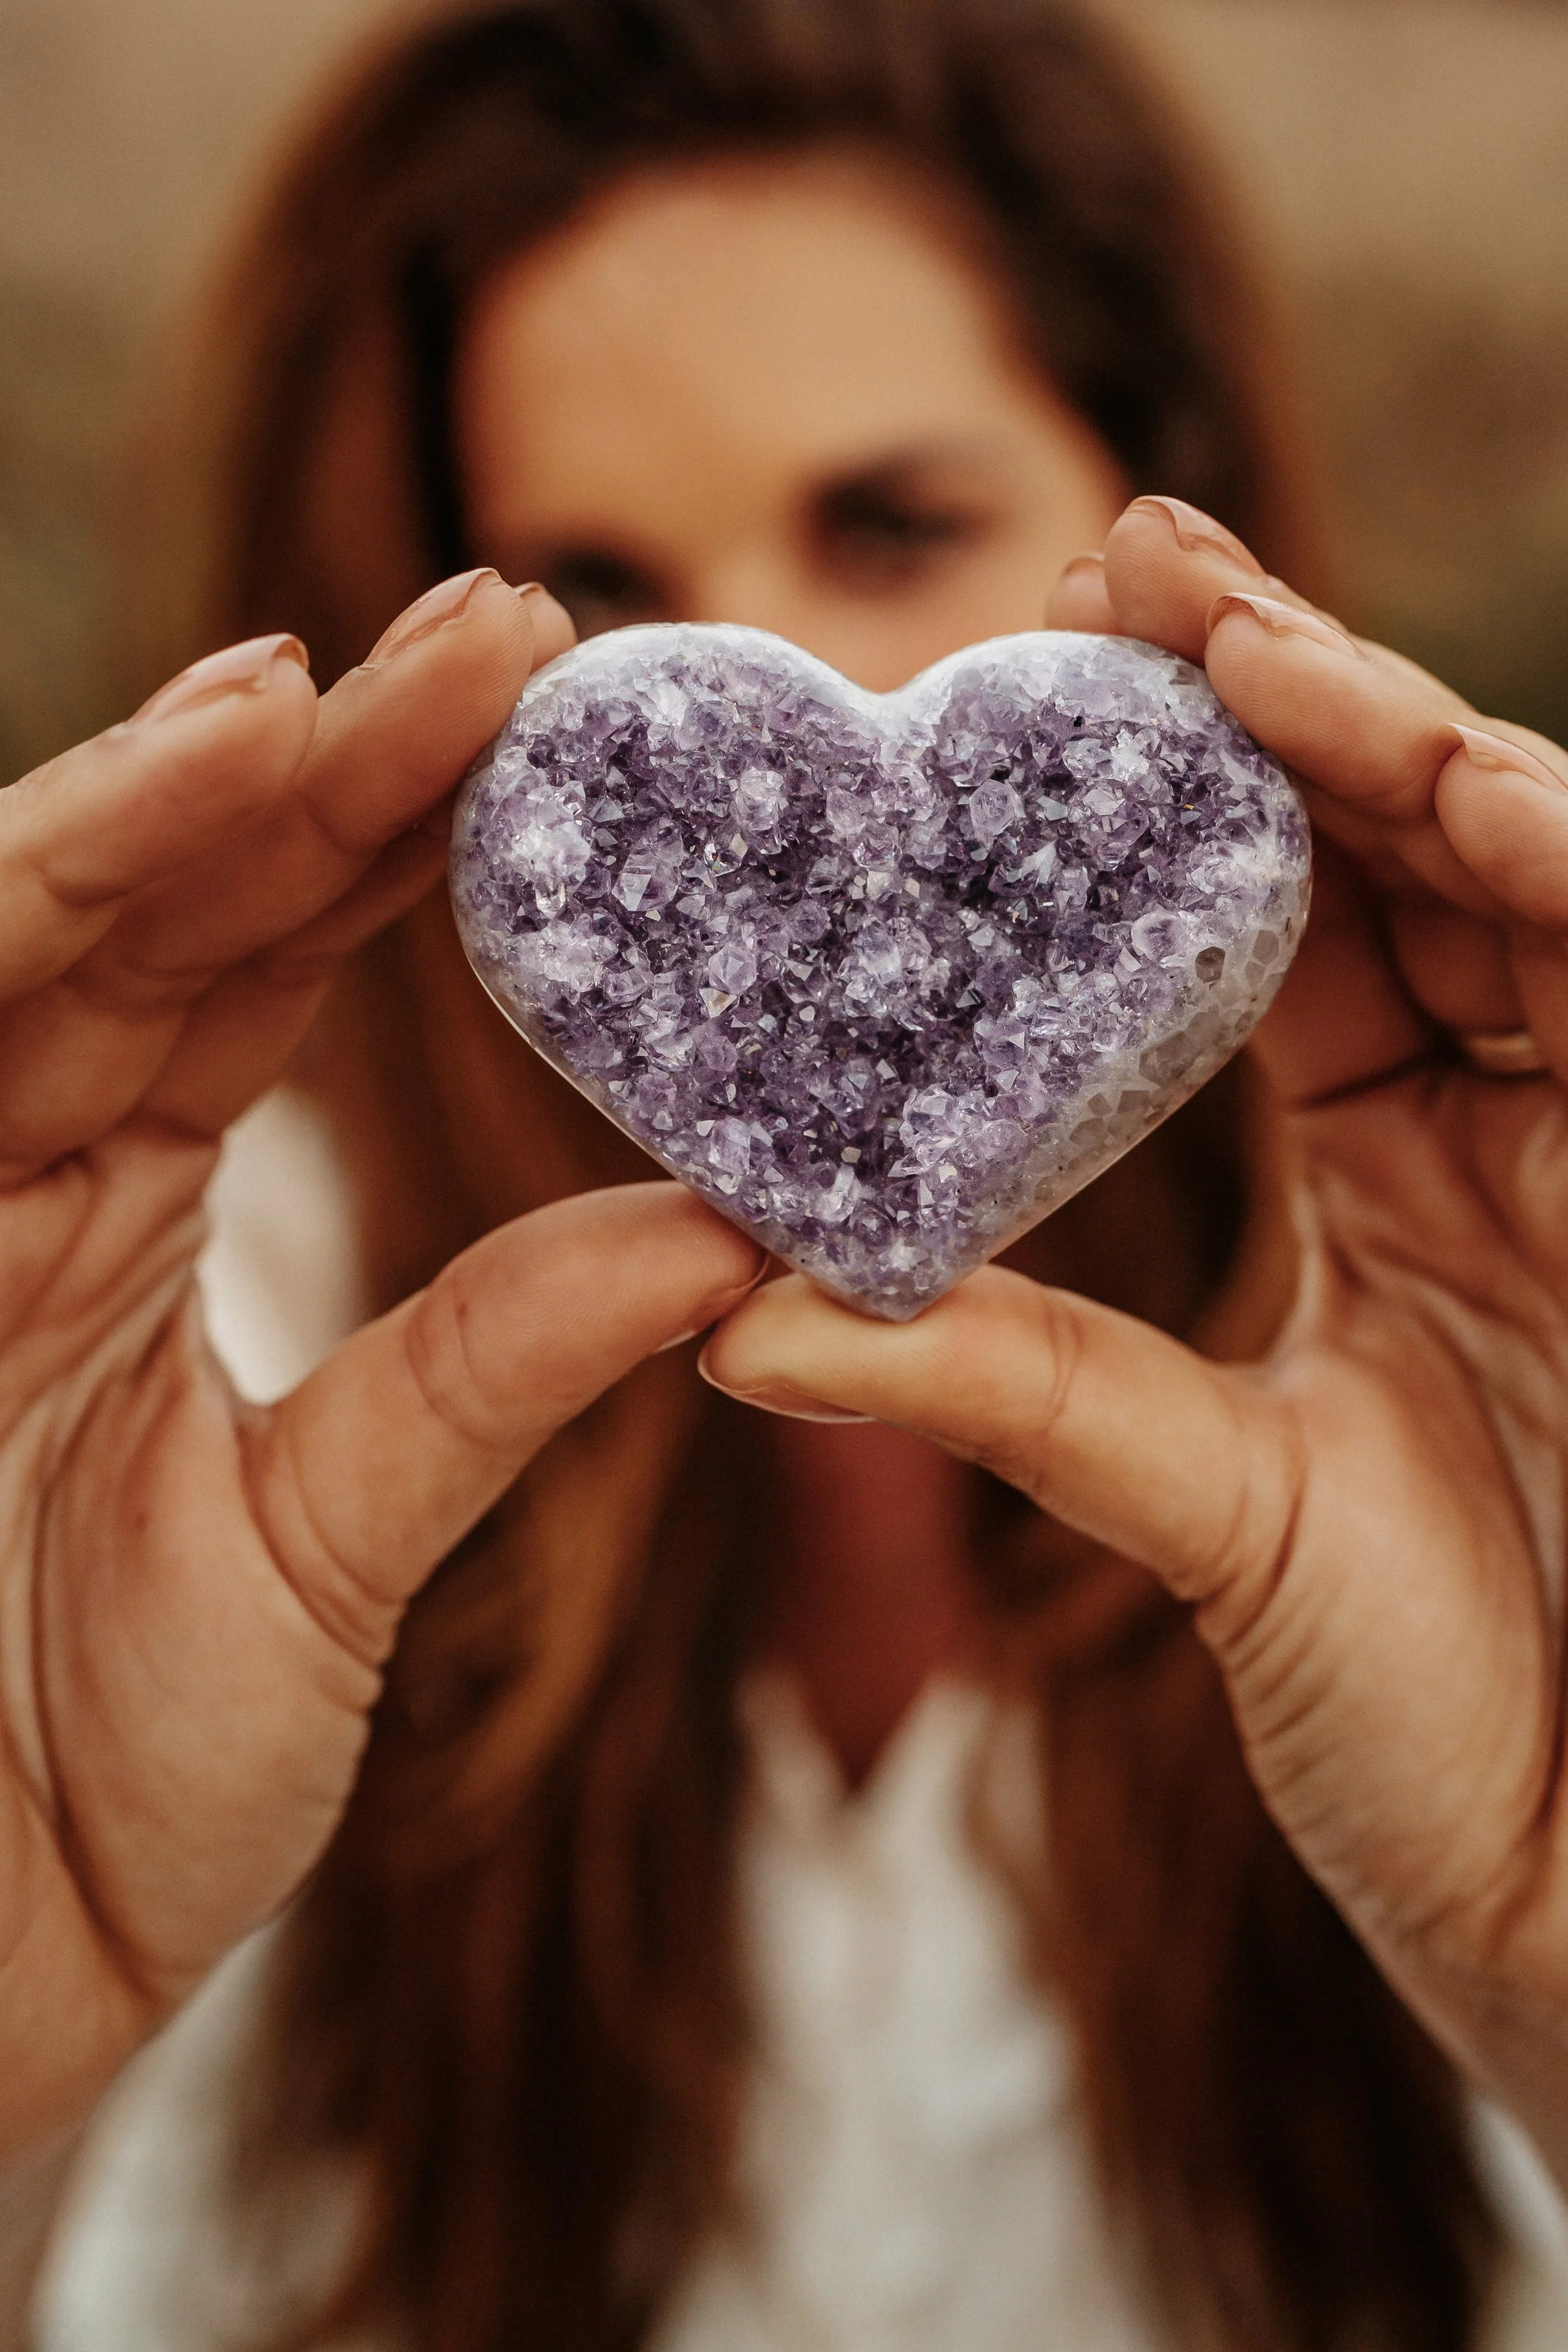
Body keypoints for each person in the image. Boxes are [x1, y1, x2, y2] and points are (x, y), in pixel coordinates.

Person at [8, 1, 1568, 2347]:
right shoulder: (187, 1364)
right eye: (601, 583)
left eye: (892, 519)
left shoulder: (1498, 1386)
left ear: (1167, 511)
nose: (771, 675)